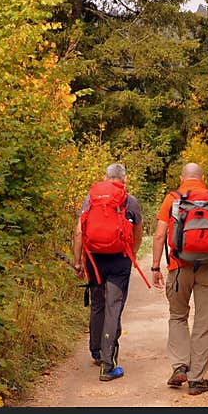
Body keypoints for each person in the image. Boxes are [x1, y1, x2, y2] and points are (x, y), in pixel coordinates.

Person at [150, 162, 208, 396]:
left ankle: (180, 365)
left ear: (182, 178)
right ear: (203, 177)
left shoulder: (172, 198)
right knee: (203, 323)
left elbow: (159, 236)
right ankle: (197, 379)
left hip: (179, 267)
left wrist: (156, 266)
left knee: (178, 316)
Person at [72, 163, 143, 381]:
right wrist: (131, 254)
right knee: (114, 308)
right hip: (119, 260)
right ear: (125, 179)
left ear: (105, 177)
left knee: (98, 303)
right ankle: (108, 364)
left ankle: (96, 350)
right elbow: (138, 233)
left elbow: (79, 232)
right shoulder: (130, 201)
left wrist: (78, 262)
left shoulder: (91, 198)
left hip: (94, 259)